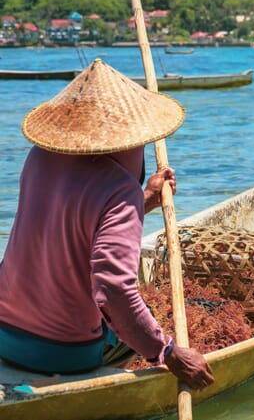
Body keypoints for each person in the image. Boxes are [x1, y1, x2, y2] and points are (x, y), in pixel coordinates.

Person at [0, 59, 214, 390]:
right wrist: (169, 352)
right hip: (62, 353)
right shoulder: (120, 192)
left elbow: (70, 226)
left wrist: (145, 201)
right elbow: (112, 291)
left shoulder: (39, 157)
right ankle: (93, 380)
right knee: (138, 323)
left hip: (4, 334)